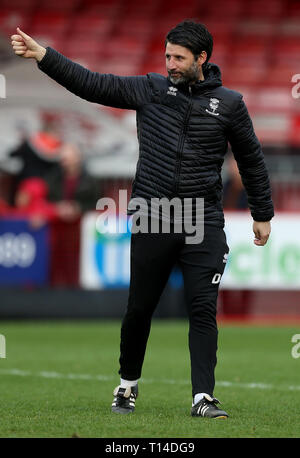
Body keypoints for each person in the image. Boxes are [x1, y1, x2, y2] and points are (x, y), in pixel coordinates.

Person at [10, 21, 274, 419]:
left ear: (202, 59)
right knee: (139, 308)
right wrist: (44, 56)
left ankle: (203, 397)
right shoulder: (149, 89)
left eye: (179, 58)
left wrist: (262, 213)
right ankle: (127, 385)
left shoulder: (231, 104)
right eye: (167, 55)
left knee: (202, 308)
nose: (170, 63)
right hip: (153, 214)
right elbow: (92, 83)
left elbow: (252, 160)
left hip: (202, 218)